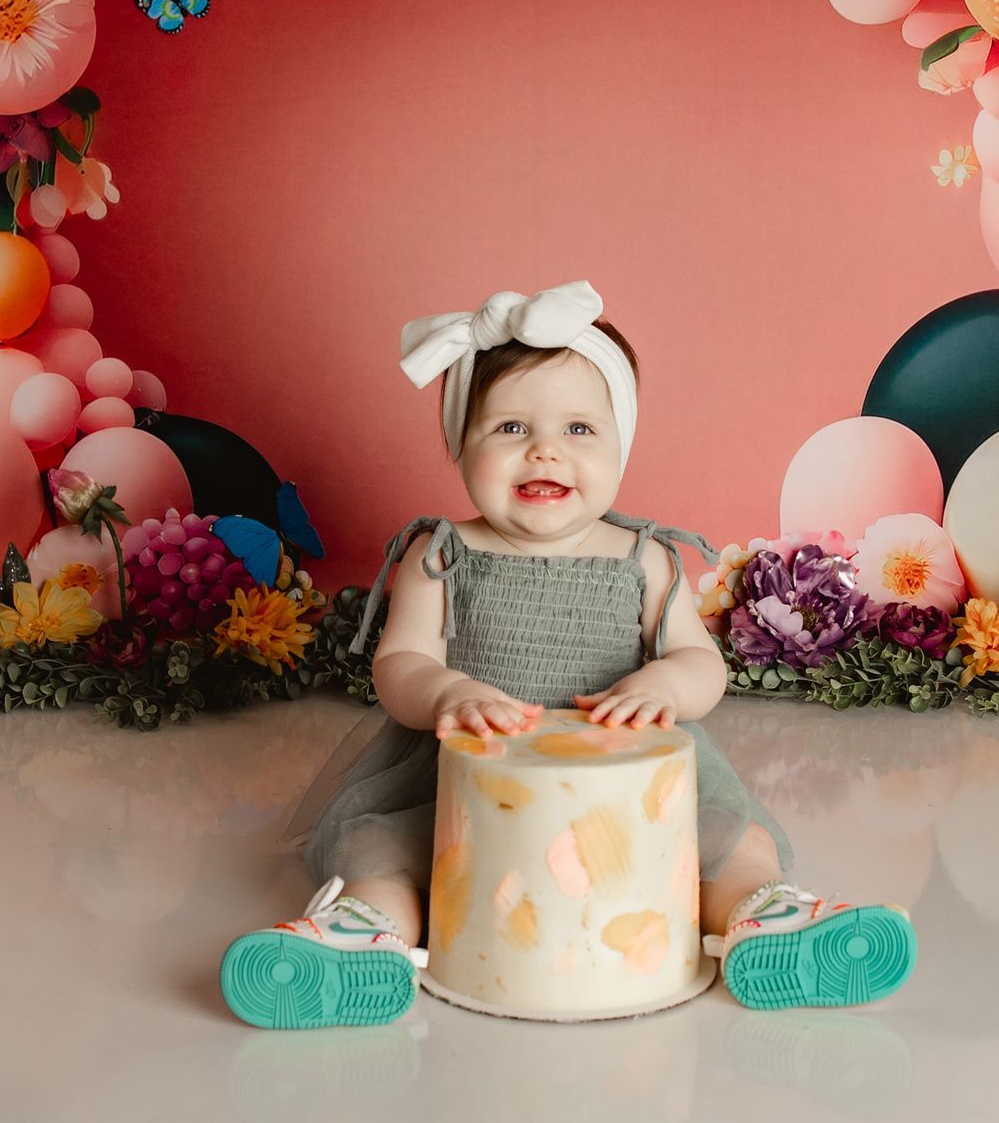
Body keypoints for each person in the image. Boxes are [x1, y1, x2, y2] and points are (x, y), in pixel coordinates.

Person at [220, 282, 916, 1028]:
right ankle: (364, 937)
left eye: (580, 428)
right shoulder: (443, 552)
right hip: (466, 775)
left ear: (623, 443)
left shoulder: (645, 559)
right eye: (511, 426)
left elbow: (702, 660)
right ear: (459, 443)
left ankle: (766, 914)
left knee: (726, 837)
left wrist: (665, 681)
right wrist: (447, 690)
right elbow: (399, 665)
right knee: (384, 849)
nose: (544, 449)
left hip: (623, 781)